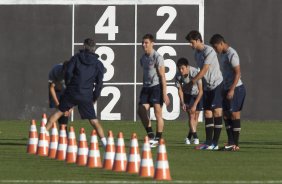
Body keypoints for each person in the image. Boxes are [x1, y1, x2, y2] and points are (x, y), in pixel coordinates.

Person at [45, 38, 107, 147]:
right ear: (94, 49)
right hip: (86, 95)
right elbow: (99, 84)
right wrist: (94, 98)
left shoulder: (76, 58)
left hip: (72, 91)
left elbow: (68, 72)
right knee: (93, 120)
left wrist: (69, 85)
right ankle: (105, 142)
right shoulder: (98, 64)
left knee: (58, 113)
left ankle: (43, 134)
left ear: (84, 46)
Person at [185, 30, 223, 150]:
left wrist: (192, 82)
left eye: (191, 42)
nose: (190, 45)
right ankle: (208, 142)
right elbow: (202, 73)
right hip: (207, 87)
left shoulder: (209, 51)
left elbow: (204, 70)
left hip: (216, 84)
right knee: (207, 113)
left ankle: (215, 144)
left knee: (217, 112)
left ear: (198, 40)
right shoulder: (196, 53)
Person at [210, 34, 246, 151]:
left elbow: (238, 73)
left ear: (221, 43)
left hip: (236, 89)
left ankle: (236, 144)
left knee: (234, 114)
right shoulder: (223, 55)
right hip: (226, 88)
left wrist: (231, 89)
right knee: (226, 115)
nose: (216, 50)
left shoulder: (232, 54)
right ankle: (230, 142)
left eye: (216, 47)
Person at [138, 34, 170, 148]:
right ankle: (151, 135)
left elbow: (162, 76)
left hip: (156, 87)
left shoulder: (157, 57)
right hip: (146, 88)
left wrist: (164, 93)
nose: (143, 45)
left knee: (157, 112)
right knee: (141, 110)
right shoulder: (143, 58)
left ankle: (158, 138)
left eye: (146, 42)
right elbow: (145, 74)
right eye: (143, 42)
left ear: (152, 43)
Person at [175, 58, 203, 145]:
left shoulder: (195, 72)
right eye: (179, 68)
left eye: (182, 68)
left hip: (198, 95)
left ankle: (188, 137)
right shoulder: (178, 75)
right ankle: (196, 137)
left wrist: (195, 105)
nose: (181, 70)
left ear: (187, 67)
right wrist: (182, 102)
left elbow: (201, 91)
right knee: (191, 115)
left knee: (196, 118)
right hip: (187, 96)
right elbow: (180, 90)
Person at [48, 61, 69, 126]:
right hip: (57, 90)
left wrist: (69, 107)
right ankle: (45, 131)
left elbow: (74, 92)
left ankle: (63, 131)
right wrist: (57, 103)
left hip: (68, 91)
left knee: (65, 111)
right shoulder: (56, 71)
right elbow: (51, 88)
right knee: (59, 110)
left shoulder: (75, 74)